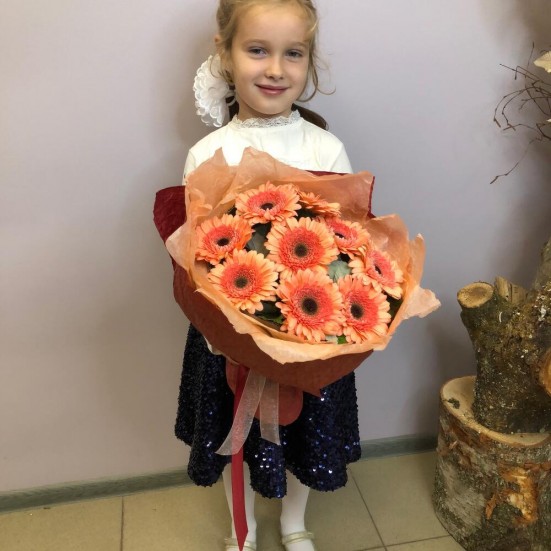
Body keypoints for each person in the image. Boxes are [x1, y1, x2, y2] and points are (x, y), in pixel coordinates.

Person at [177, 1, 360, 550]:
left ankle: (294, 522)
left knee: (305, 435)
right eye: (257, 50)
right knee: (232, 436)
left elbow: (348, 245)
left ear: (309, 60)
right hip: (228, 336)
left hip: (311, 333)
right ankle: (244, 527)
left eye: (293, 54)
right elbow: (196, 255)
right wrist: (227, 330)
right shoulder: (208, 153)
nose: (276, 69)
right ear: (226, 53)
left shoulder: (325, 148)